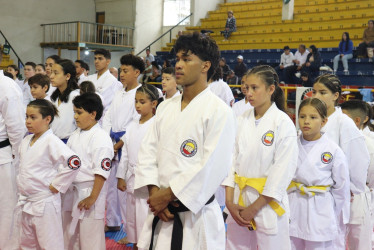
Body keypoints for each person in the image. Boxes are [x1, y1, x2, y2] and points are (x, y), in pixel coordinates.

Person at [134, 32, 236, 250]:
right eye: (177, 59)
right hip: (161, 214)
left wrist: (168, 195)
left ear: (205, 65)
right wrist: (154, 194)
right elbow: (147, 152)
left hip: (195, 219)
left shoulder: (220, 111)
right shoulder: (165, 107)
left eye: (186, 59)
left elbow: (211, 168)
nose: (178, 65)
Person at [223, 65, 298, 250]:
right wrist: (229, 202)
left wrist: (254, 208)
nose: (249, 93)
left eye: (254, 88)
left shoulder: (282, 123)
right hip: (238, 200)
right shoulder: (240, 120)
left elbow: (282, 171)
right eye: (246, 88)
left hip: (267, 202)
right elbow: (229, 161)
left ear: (271, 89)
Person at [312, 74, 371, 250]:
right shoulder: (312, 118)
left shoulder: (343, 122)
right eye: (314, 91)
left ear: (336, 96)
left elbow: (359, 160)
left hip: (338, 196)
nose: (316, 96)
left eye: (323, 92)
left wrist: (350, 188)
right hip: (314, 196)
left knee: (338, 242)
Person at [18, 99, 80, 250]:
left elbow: (74, 162)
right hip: (26, 201)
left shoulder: (52, 141)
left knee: (50, 244)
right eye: (26, 116)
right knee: (27, 244)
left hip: (44, 201)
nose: (28, 121)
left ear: (47, 119)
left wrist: (57, 184)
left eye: (33, 117)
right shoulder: (26, 140)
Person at [289, 98, 350, 249]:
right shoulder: (290, 144)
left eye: (313, 117)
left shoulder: (333, 150)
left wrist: (333, 215)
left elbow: (341, 189)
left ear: (324, 122)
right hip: (294, 204)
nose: (306, 121)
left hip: (320, 209)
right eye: (302, 116)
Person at [63, 93, 114, 250]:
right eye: (74, 112)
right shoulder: (75, 135)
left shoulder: (101, 138)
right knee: (70, 236)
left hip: (90, 190)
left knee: (90, 238)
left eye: (79, 112)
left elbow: (101, 171)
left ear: (93, 114)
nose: (75, 116)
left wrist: (93, 197)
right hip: (72, 190)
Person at [102, 54, 145, 233]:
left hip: (128, 145)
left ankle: (130, 231)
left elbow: (137, 123)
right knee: (111, 186)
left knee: (127, 190)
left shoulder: (142, 93)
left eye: (126, 71)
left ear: (136, 73)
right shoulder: (119, 92)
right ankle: (112, 221)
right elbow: (108, 117)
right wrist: (107, 140)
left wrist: (118, 145)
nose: (122, 74)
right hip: (112, 142)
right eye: (121, 70)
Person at [116, 84, 161, 247]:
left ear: (154, 103)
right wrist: (121, 176)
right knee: (131, 215)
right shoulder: (132, 124)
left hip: (148, 178)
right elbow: (126, 153)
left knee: (145, 216)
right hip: (131, 176)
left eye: (142, 102)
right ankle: (134, 242)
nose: (137, 105)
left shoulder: (157, 124)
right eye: (136, 101)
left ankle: (146, 244)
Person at [340, 100, 374, 246]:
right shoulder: (332, 140)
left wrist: (361, 186)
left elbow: (371, 177)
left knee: (360, 245)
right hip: (336, 200)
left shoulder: (369, 143)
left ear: (357, 120)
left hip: (359, 200)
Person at [0, 69, 25, 250]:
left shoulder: (7, 87)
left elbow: (16, 127)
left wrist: (17, 155)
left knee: (6, 208)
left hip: (3, 156)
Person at [50, 59, 80, 142]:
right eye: (51, 72)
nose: (51, 76)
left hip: (70, 142)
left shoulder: (76, 96)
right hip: (54, 141)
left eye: (55, 73)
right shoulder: (54, 96)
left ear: (67, 76)